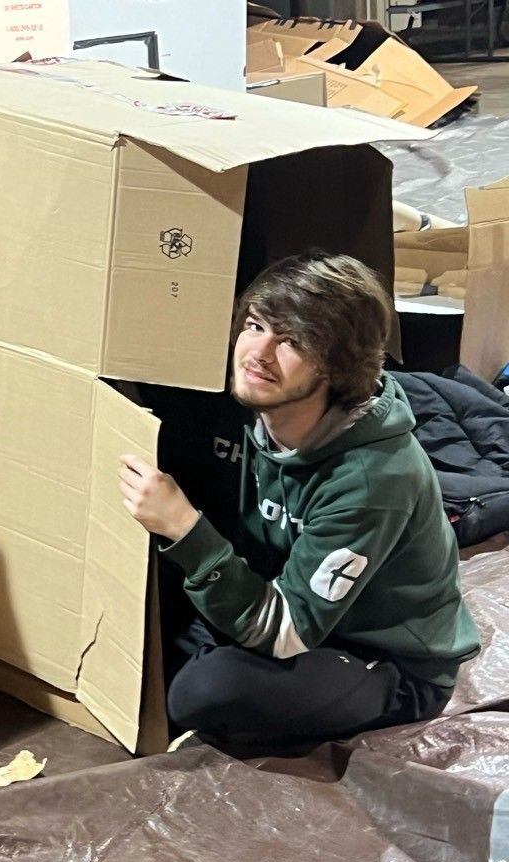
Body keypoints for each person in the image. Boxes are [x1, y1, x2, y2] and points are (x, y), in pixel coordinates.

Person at [118, 252, 480, 748]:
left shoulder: (372, 478)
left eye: (291, 341)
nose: (258, 353)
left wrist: (183, 527)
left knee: (204, 691)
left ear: (337, 365)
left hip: (376, 656)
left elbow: (286, 629)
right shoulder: (248, 400)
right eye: (255, 325)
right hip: (284, 599)